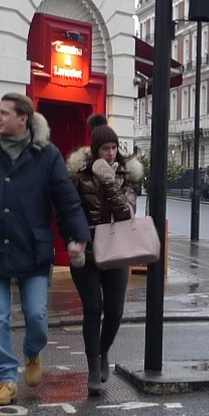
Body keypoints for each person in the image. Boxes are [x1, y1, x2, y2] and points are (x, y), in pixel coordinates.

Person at [0, 93, 89, 403]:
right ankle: (7, 379)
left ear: (23, 119)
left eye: (5, 113)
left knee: (36, 316)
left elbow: (67, 200)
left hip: (33, 249)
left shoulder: (47, 154)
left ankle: (32, 351)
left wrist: (79, 235)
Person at [66, 115, 140, 396]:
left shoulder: (126, 175)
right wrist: (73, 239)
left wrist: (108, 180)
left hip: (116, 250)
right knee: (93, 308)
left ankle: (104, 350)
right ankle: (93, 367)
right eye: (105, 148)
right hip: (87, 251)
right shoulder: (78, 175)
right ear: (95, 150)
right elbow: (69, 211)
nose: (110, 153)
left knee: (115, 311)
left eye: (114, 148)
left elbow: (125, 213)